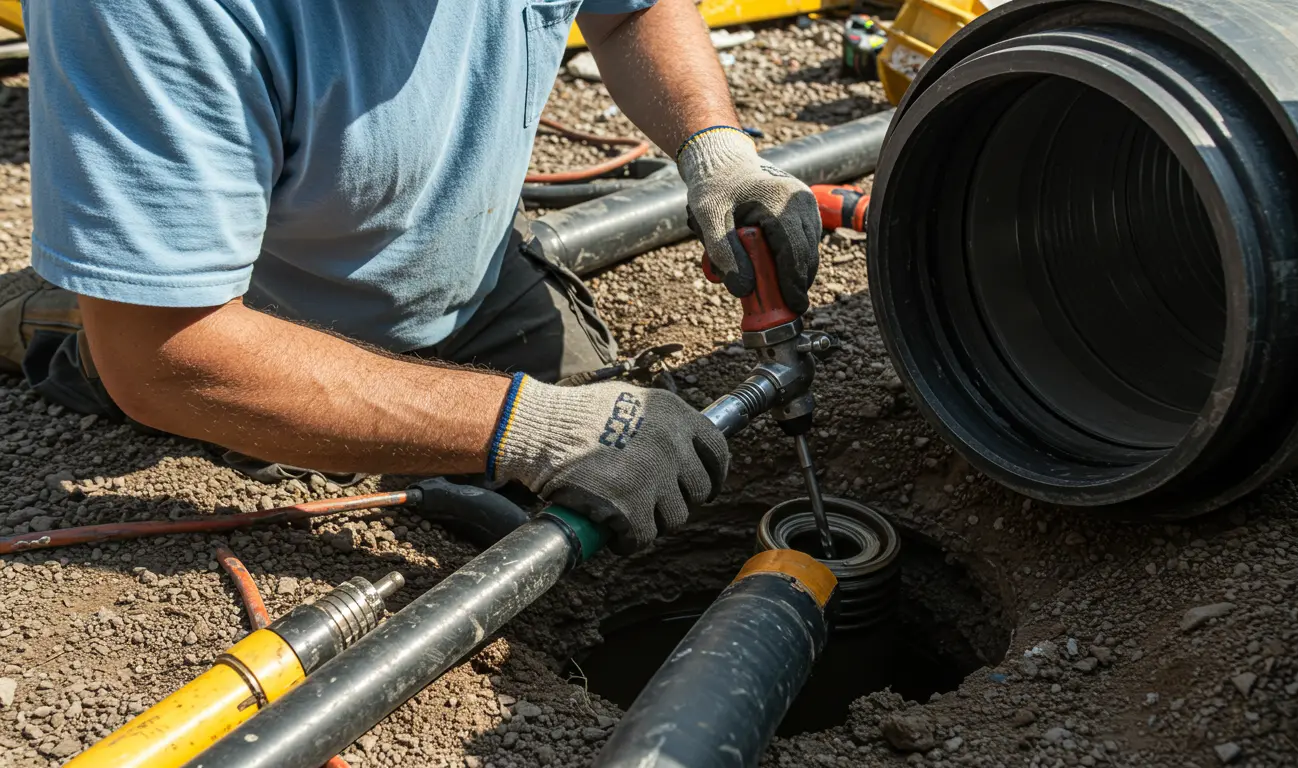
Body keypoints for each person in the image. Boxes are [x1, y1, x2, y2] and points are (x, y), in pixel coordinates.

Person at [0, 0, 822, 554]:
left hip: (471, 268)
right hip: (258, 329)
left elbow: (633, 8)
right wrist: (536, 428)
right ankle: (54, 303)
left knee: (634, 487)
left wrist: (717, 150)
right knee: (113, 321)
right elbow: (164, 355)